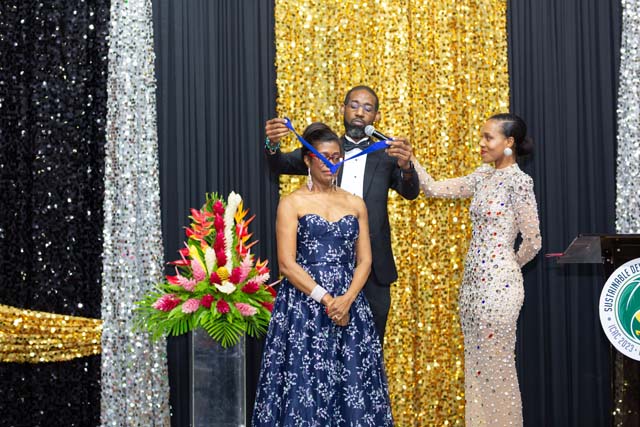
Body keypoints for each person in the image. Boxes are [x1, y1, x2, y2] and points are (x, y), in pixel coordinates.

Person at [252, 123, 394, 426]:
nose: (332, 163)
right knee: (305, 382)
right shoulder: (292, 203)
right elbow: (287, 264)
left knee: (352, 382)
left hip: (349, 305)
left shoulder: (355, 203)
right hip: (304, 306)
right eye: (324, 157)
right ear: (308, 160)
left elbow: (365, 261)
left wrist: (347, 299)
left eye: (337, 157)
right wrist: (329, 300)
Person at [412, 113, 541, 426]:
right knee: (478, 370)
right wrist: (410, 159)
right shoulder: (483, 176)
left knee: (498, 370)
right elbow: (433, 188)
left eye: (488, 137)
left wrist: (507, 266)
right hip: (471, 290)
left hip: (499, 289)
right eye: (481, 136)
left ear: (509, 142)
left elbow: (533, 241)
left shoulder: (519, 182)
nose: (481, 143)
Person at [264, 85, 419, 345]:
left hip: (373, 269)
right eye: (354, 105)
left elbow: (410, 192)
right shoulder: (324, 152)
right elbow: (278, 163)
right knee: (322, 346)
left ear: (377, 116)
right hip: (324, 270)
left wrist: (406, 167)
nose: (359, 112)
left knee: (369, 347)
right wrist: (272, 143)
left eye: (368, 108)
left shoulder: (387, 155)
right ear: (343, 109)